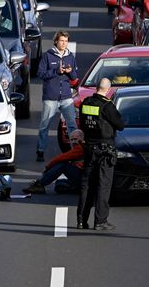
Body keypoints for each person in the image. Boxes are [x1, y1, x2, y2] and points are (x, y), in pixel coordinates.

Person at [77, 78, 125, 230]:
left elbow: (83, 124)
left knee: (87, 186)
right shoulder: (107, 105)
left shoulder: (86, 103)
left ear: (96, 87)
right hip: (105, 150)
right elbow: (120, 125)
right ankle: (100, 221)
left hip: (90, 148)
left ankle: (81, 220)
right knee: (103, 185)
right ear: (108, 90)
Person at [36, 31, 80, 162]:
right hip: (51, 97)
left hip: (66, 96)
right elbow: (40, 73)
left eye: (66, 41)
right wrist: (56, 71)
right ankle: (40, 150)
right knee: (45, 125)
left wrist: (70, 71)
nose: (64, 43)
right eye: (61, 41)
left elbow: (75, 77)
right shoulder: (47, 56)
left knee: (72, 125)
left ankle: (75, 151)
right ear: (56, 41)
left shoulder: (70, 56)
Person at [24, 130, 86, 194]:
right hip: (83, 178)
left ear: (82, 139)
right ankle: (75, 188)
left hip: (83, 179)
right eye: (72, 140)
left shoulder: (81, 148)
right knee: (60, 183)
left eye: (75, 139)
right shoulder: (82, 147)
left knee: (63, 165)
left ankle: (40, 184)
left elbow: (60, 158)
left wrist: (47, 167)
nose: (73, 142)